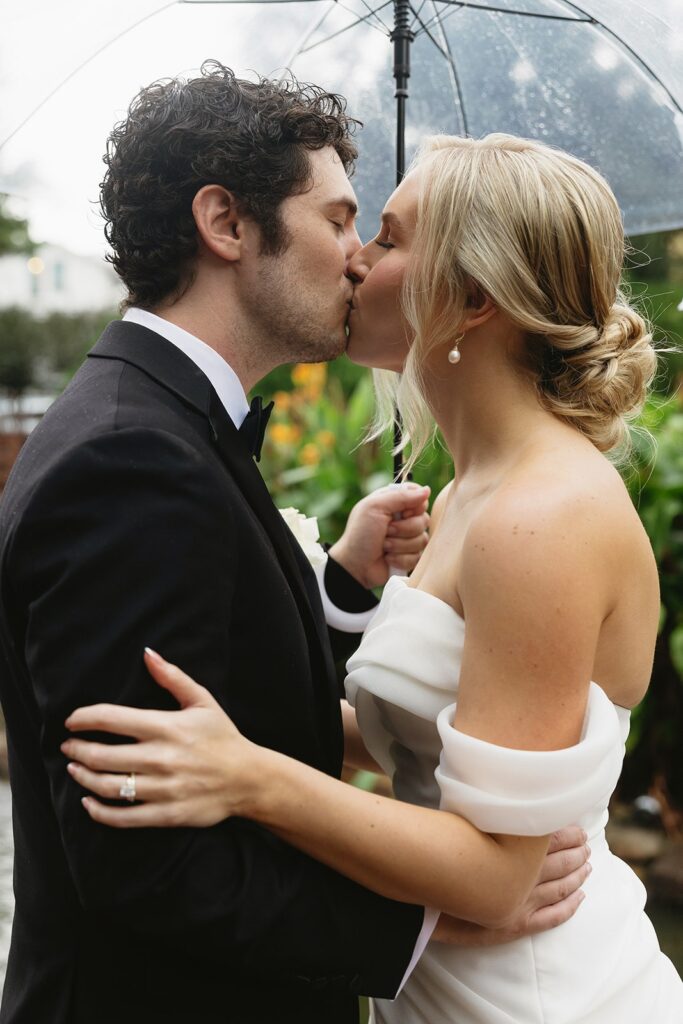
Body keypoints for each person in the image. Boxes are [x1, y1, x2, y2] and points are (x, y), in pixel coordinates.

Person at [0, 67, 585, 1024]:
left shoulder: (159, 427)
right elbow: (141, 857)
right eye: (340, 219)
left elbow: (237, 692)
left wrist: (342, 585)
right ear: (227, 224)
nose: (358, 259)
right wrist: (424, 927)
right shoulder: (130, 458)